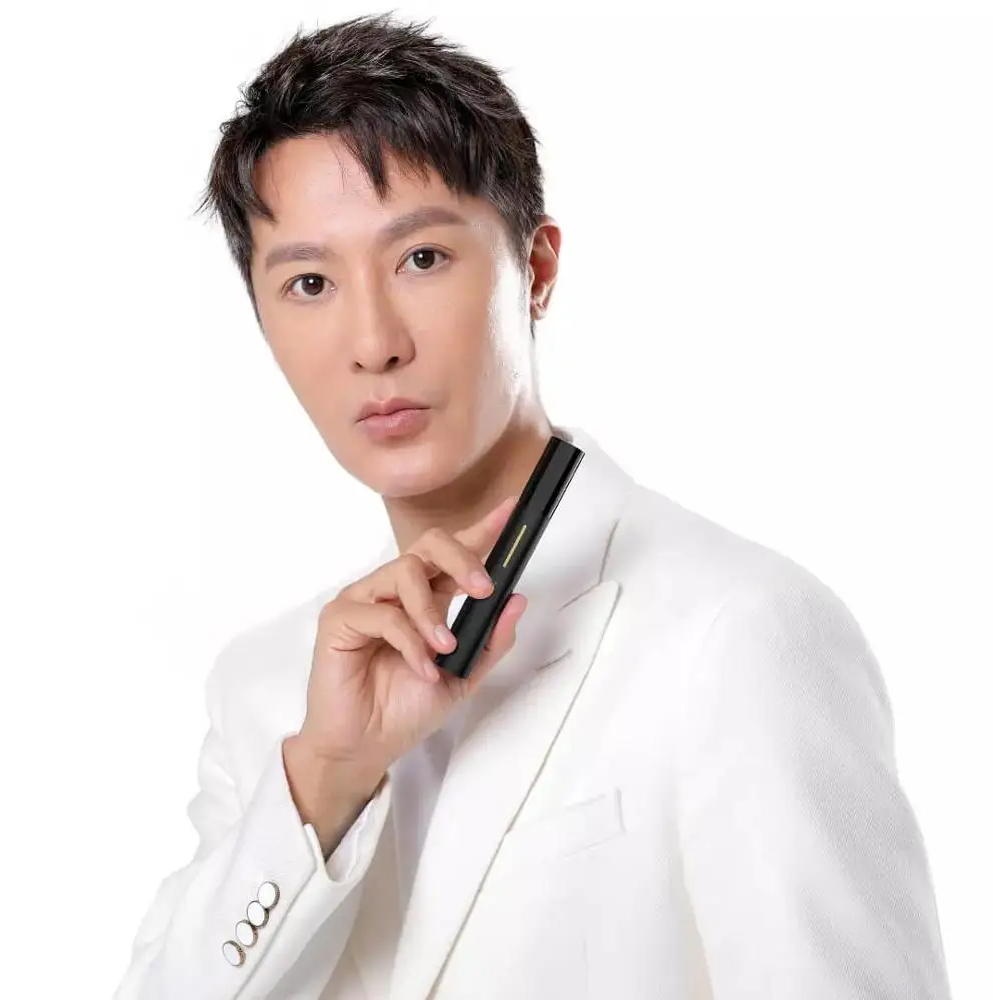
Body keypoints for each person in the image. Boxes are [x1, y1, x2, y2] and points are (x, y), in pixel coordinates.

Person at [112, 12, 952, 1000]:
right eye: (308, 282)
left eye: (422, 259)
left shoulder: (736, 630)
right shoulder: (264, 692)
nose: (373, 343)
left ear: (537, 270)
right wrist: (326, 779)